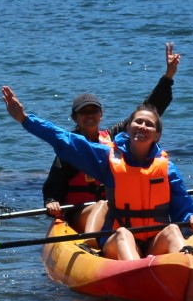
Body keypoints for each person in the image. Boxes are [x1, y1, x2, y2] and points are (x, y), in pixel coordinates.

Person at [1, 80, 193, 261]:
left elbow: (183, 208)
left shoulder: (167, 168)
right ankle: (134, 273)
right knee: (124, 233)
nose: (142, 126)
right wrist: (25, 119)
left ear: (157, 134)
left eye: (149, 124)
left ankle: (187, 271)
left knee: (172, 230)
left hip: (154, 238)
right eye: (138, 122)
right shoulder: (107, 159)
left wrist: (191, 219)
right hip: (118, 238)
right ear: (129, 127)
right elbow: (63, 139)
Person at [41, 44, 180, 233]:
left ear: (101, 114)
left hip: (116, 211)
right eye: (84, 112)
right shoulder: (69, 149)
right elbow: (53, 187)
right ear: (75, 118)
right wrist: (51, 203)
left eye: (94, 111)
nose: (90, 115)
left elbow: (148, 110)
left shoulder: (117, 136)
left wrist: (168, 77)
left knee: (106, 207)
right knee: (101, 206)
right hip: (79, 213)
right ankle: (93, 241)